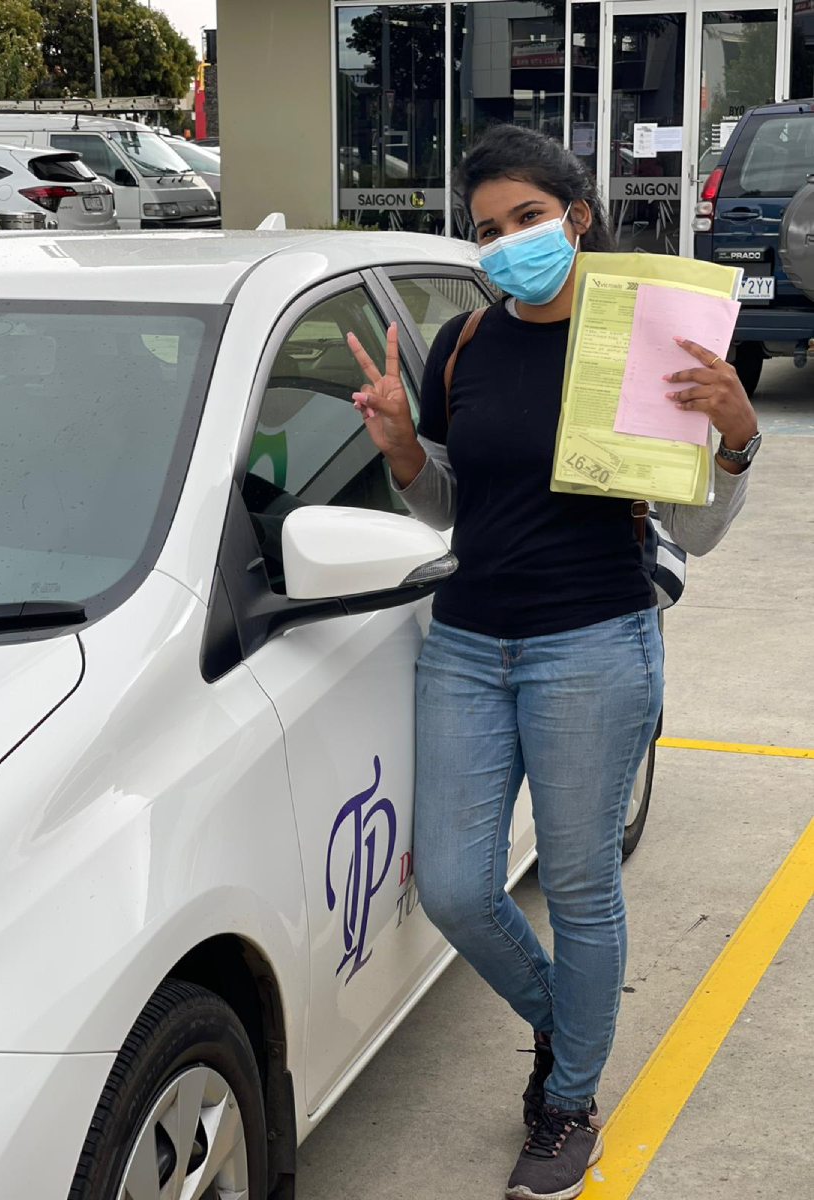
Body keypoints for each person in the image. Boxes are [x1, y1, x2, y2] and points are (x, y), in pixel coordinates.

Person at [347, 124, 760, 1200]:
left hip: (594, 642)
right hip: (470, 643)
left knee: (580, 888)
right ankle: (568, 1025)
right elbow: (452, 505)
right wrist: (400, 444)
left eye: (527, 218)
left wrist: (737, 438)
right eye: (486, 230)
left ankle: (567, 1099)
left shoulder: (647, 342)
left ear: (576, 216)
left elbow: (698, 533)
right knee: (454, 887)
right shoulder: (465, 347)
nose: (507, 243)